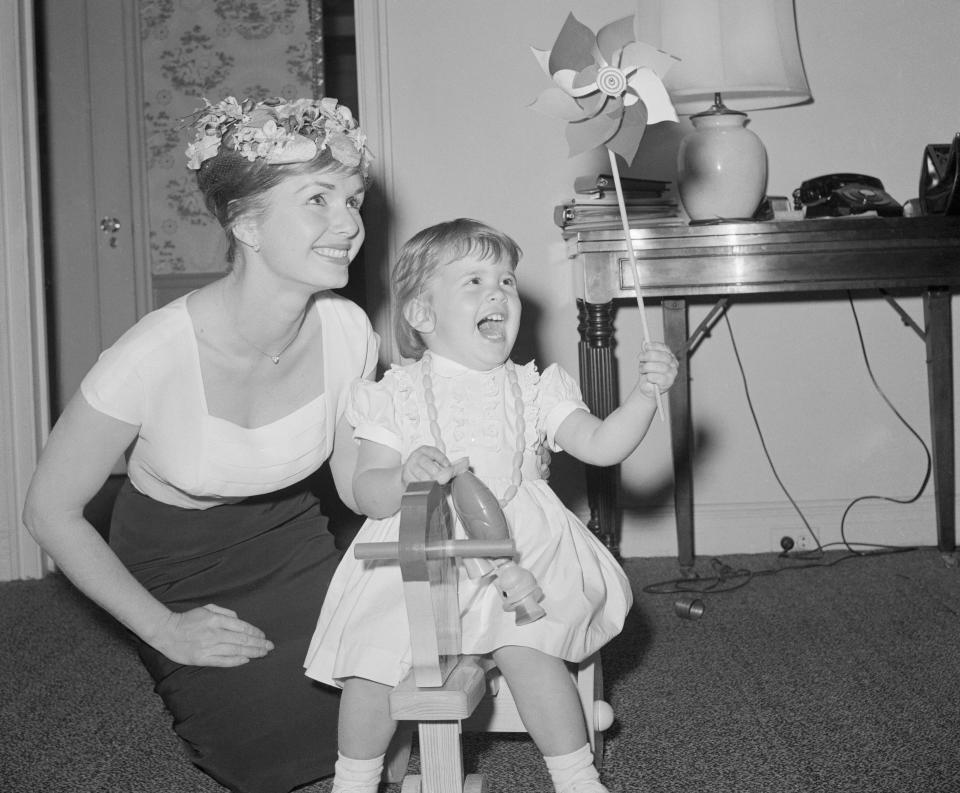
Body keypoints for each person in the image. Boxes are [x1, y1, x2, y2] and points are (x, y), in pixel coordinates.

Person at [22, 96, 379, 793]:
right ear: (246, 222)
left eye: (354, 199)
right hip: (176, 568)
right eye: (318, 199)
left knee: (382, 723)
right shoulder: (152, 353)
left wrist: (430, 474)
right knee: (274, 761)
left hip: (292, 538)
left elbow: (355, 481)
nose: (349, 224)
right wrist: (165, 629)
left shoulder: (348, 332)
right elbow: (48, 512)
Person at [304, 218, 679, 793]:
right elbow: (366, 492)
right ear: (422, 316)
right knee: (373, 663)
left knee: (530, 651)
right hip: (419, 554)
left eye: (506, 280)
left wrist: (645, 397)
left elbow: (602, 446)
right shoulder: (395, 396)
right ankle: (352, 780)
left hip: (519, 552)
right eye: (474, 280)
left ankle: (577, 778)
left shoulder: (534, 388)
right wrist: (404, 474)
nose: (498, 292)